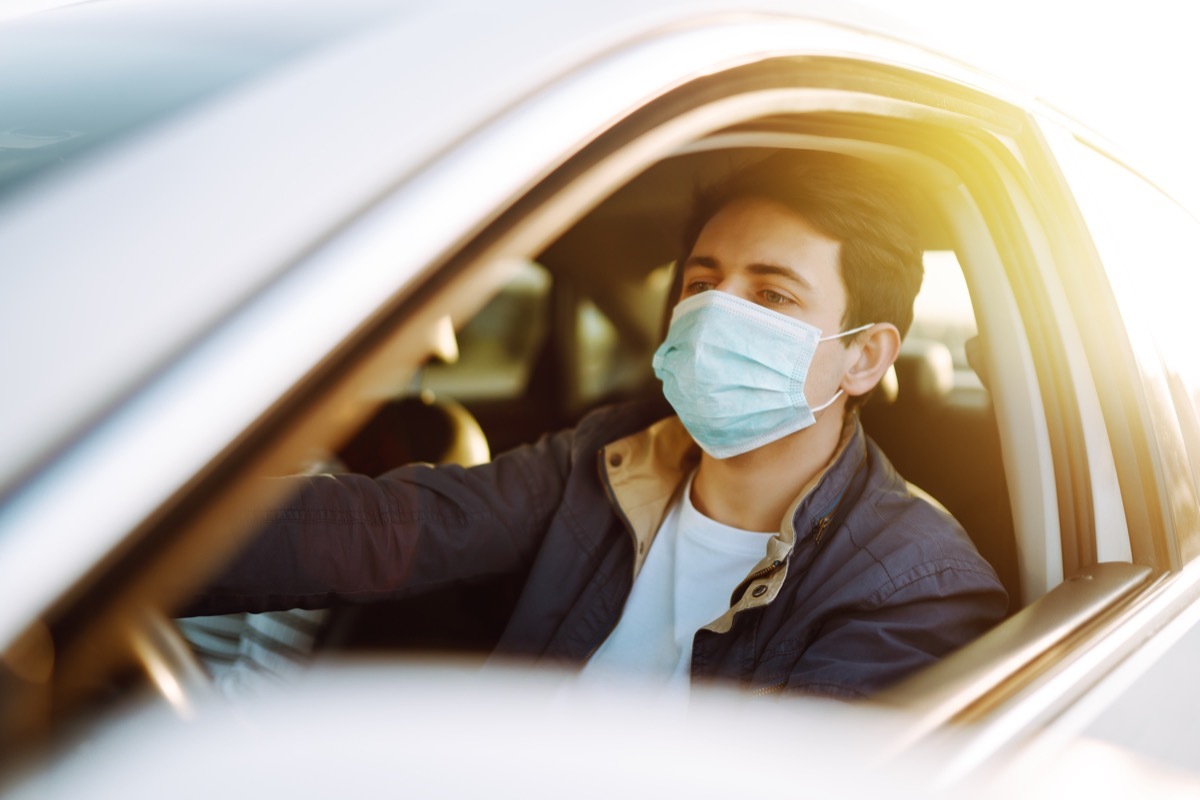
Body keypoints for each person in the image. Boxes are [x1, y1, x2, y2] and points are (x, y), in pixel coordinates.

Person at [188, 150, 1007, 700]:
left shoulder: (916, 591)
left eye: (772, 296)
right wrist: (136, 541)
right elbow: (394, 527)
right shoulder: (613, 455)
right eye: (703, 281)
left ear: (864, 357)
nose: (717, 314)